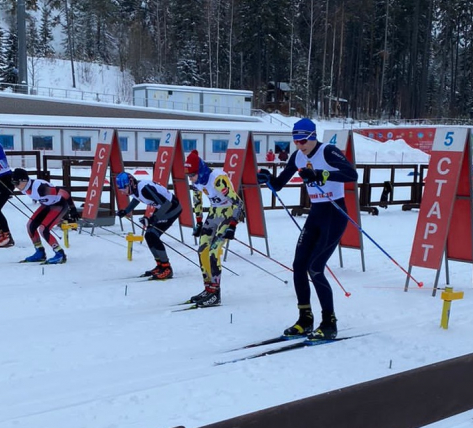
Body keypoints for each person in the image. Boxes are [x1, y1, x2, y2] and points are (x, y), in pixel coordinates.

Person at [257, 118, 358, 340]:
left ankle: (329, 323)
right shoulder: (298, 156)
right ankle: (305, 320)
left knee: (316, 267)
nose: (300, 145)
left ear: (312, 137)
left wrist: (323, 174)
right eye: (296, 141)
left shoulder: (328, 151)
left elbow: (352, 174)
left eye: (303, 140)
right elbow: (280, 183)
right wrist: (267, 179)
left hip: (334, 213)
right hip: (316, 214)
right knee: (298, 265)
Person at [185, 149, 244, 307]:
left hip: (228, 213)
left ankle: (216, 293)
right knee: (202, 249)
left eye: (192, 175)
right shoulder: (197, 182)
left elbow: (238, 203)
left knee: (214, 251)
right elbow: (197, 201)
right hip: (214, 213)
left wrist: (232, 225)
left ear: (200, 170)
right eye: (188, 176)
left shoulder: (217, 179)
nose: (190, 179)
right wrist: (198, 222)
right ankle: (208, 288)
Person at [115, 172, 182, 280]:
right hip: (163, 209)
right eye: (120, 189)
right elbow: (137, 198)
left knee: (153, 234)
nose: (123, 192)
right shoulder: (134, 189)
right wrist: (126, 211)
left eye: (124, 188)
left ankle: (166, 268)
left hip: (172, 208)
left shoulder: (144, 189)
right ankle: (160, 265)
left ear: (131, 183)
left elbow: (166, 204)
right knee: (148, 235)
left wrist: (153, 218)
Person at [12, 168, 69, 264]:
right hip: (47, 205)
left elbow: (64, 193)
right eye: (14, 183)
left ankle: (60, 254)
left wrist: (73, 209)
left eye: (16, 183)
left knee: (44, 229)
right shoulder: (25, 187)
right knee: (31, 226)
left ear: (24, 180)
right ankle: (40, 253)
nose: (15, 186)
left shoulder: (40, 188)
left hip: (59, 205)